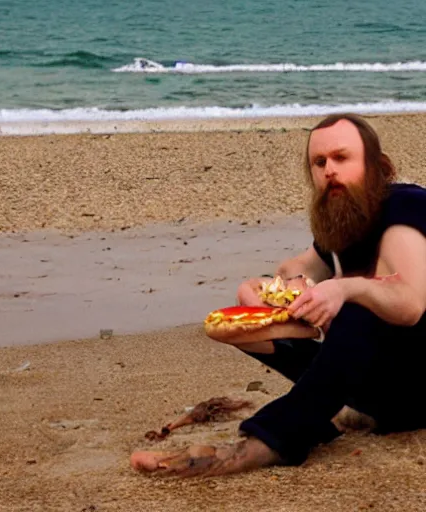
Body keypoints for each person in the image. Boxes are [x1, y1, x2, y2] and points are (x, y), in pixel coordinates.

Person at [130, 113, 426, 477]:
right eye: (319, 162)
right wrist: (260, 290)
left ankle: (261, 445)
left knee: (354, 310)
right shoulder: (347, 219)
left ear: (378, 167)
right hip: (380, 391)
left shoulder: (406, 209)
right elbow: (295, 271)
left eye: (341, 158)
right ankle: (323, 416)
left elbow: (411, 304)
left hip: (419, 391)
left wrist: (345, 288)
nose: (329, 170)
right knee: (245, 324)